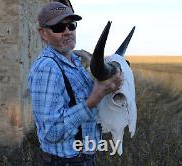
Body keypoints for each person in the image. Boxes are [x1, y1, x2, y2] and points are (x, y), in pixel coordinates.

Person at [28, 2, 123, 166]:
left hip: (83, 157)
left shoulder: (71, 58)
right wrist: (93, 100)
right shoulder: (47, 69)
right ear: (43, 33)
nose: (67, 32)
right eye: (58, 27)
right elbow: (51, 132)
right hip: (65, 161)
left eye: (71, 25)